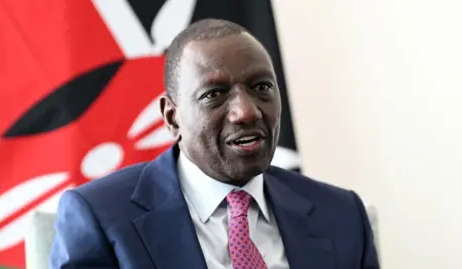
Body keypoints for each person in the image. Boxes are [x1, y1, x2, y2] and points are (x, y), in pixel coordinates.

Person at [50, 18, 380, 269]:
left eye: (261, 87)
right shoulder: (101, 218)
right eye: (214, 94)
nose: (246, 112)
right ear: (172, 118)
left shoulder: (342, 215)